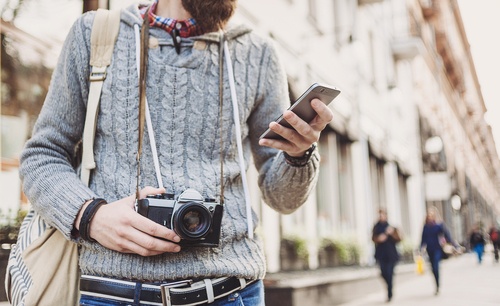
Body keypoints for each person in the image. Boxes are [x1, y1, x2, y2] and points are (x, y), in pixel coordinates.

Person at [17, 0, 334, 305]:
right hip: (114, 294)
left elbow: (283, 199)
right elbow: (43, 155)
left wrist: (299, 156)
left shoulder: (258, 54)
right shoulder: (96, 35)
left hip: (233, 293)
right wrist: (91, 216)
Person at [420, 208, 453, 295]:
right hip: (429, 250)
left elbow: (447, 235)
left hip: (437, 249)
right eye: (429, 215)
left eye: (431, 215)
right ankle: (436, 283)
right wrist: (421, 248)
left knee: (436, 266)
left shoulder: (439, 225)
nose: (430, 217)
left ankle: (438, 286)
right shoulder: (425, 227)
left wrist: (450, 243)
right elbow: (423, 238)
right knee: (433, 269)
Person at [372, 209, 401, 302]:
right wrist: (379, 238)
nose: (381, 217)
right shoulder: (376, 227)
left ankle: (389, 293)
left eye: (382, 215)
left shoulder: (392, 227)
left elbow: (399, 239)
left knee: (389, 273)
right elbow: (373, 238)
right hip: (381, 254)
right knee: (383, 273)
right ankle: (389, 287)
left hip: (391, 254)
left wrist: (391, 233)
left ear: (386, 216)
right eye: (379, 215)